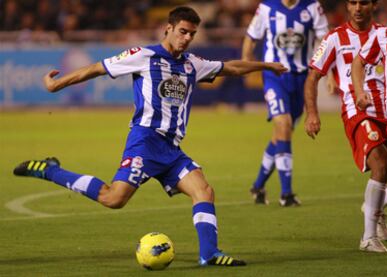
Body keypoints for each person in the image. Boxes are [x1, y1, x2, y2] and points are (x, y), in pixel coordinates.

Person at [13, 6, 287, 266]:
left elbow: (231, 67)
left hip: (171, 148)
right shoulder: (142, 56)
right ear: (168, 29)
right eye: (182, 31)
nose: (187, 38)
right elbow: (97, 68)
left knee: (204, 191)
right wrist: (56, 84)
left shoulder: (193, 64)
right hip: (145, 142)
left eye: (192, 33)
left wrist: (266, 66)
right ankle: (51, 171)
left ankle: (210, 254)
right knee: (113, 199)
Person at [304, 0, 387, 252]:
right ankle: (367, 238)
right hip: (358, 112)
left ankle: (377, 206)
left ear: (373, 5)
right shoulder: (335, 38)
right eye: (352, 2)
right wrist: (312, 114)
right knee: (381, 164)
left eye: (363, 2)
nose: (357, 8)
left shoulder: (385, 35)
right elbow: (313, 78)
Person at [242, 0, 328, 206]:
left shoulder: (312, 7)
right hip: (274, 76)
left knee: (281, 134)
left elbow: (326, 40)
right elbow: (250, 37)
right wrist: (246, 63)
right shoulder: (267, 8)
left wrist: (330, 70)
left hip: (301, 79)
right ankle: (286, 193)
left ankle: (258, 186)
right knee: (283, 124)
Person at [351, 0, 387, 240]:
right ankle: (369, 234)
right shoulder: (385, 35)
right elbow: (359, 62)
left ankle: (377, 203)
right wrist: (358, 92)